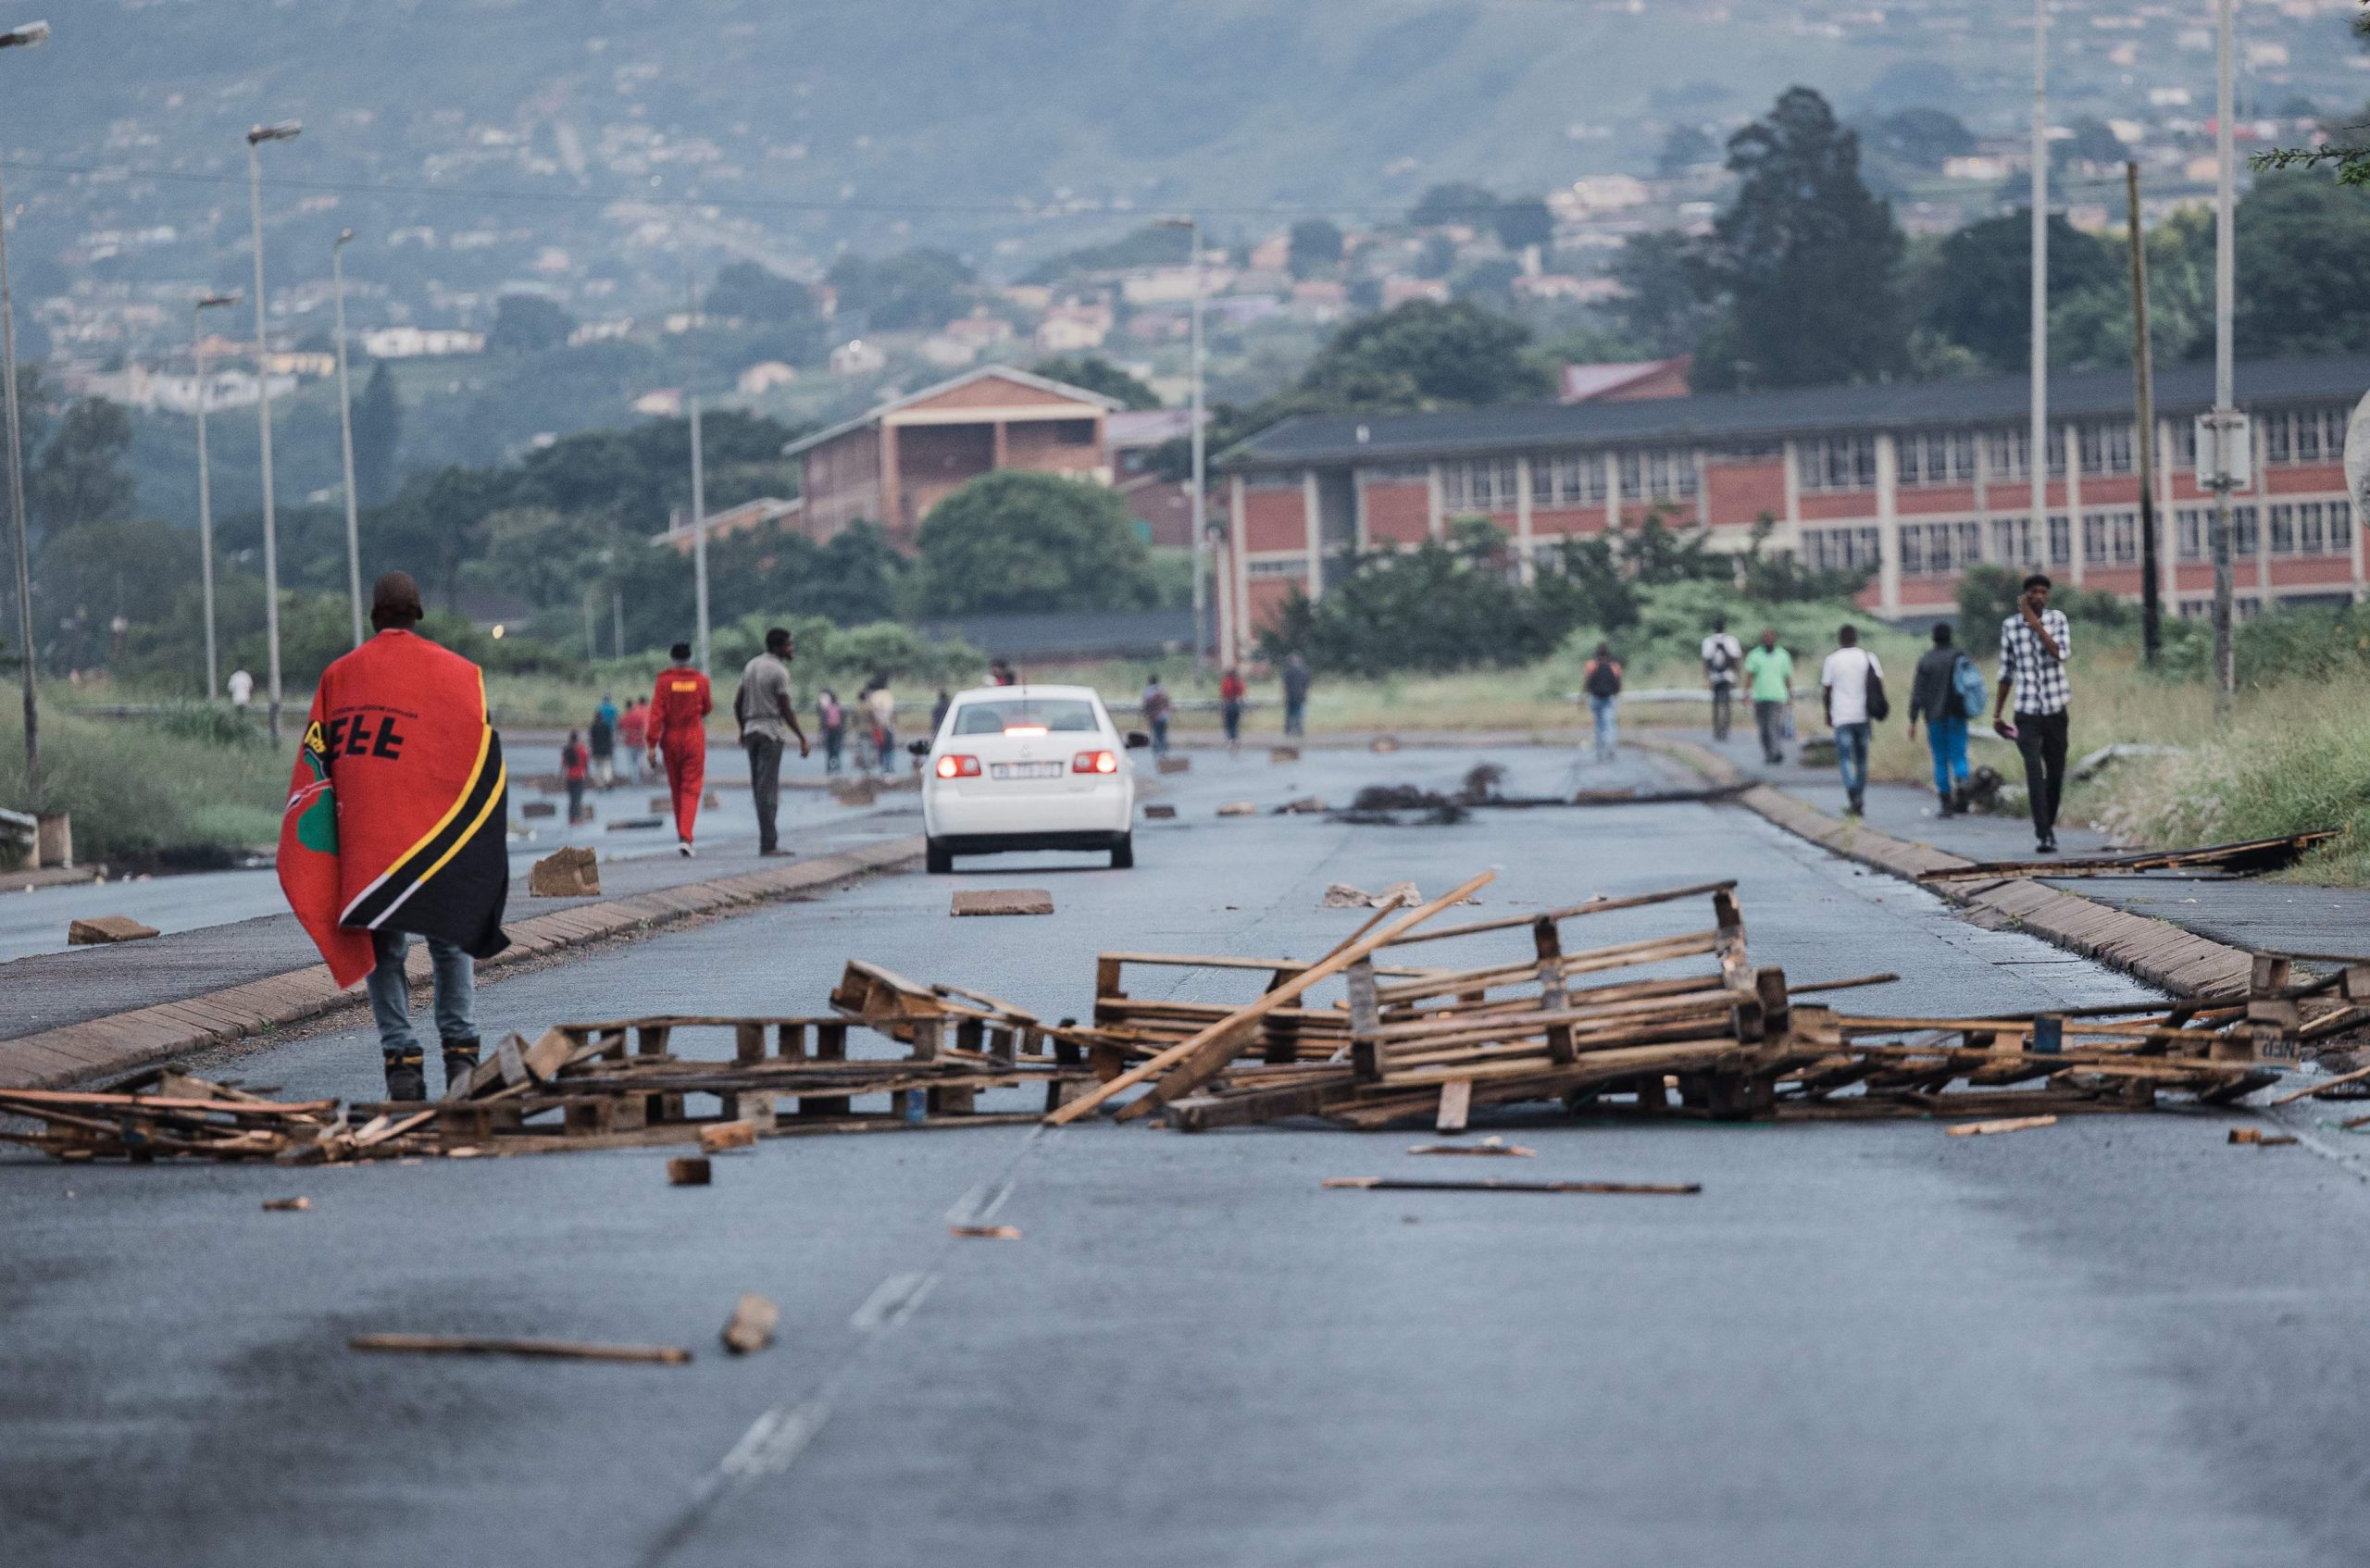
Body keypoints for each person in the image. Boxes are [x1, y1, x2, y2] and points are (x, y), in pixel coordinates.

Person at [276, 572, 509, 1102]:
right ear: (417, 614)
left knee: (385, 950)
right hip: (439, 841)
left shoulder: (339, 677)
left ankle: (401, 1065)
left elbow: (319, 765)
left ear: (375, 616)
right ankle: (461, 1062)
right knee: (450, 944)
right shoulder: (460, 675)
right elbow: (478, 760)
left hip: (371, 845)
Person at [1993, 572, 2074, 853]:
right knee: (2033, 771)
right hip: (2026, 711)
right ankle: (2043, 834)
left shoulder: (2058, 620)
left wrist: (2035, 624)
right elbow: (2006, 673)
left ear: (2047, 596)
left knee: (2055, 772)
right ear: (2024, 596)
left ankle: (2048, 826)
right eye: (2033, 592)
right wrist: (1997, 714)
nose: (2039, 596)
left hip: (2055, 708)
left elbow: (2060, 653)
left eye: (2043, 592)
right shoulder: (2010, 627)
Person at [733, 625, 810, 858]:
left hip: (751, 729)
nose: (792, 649)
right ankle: (768, 844)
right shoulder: (778, 672)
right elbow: (786, 709)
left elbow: (738, 703)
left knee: (758, 787)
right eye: (789, 644)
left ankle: (767, 839)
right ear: (778, 647)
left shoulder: (751, 666)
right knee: (768, 790)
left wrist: (741, 729)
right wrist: (802, 737)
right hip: (770, 733)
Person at [647, 641, 712, 857]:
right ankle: (686, 836)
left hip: (671, 738)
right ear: (690, 659)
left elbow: (656, 714)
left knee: (676, 788)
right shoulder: (701, 681)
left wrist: (651, 745)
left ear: (672, 659)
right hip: (693, 736)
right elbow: (708, 707)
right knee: (691, 788)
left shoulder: (664, 682)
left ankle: (682, 835)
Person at [1907, 622, 1975, 815]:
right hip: (1958, 714)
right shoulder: (1960, 657)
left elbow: (1917, 693)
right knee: (1959, 756)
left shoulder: (1926, 661)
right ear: (1950, 636)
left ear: (1933, 637)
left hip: (1934, 717)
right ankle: (1962, 786)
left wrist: (1913, 719)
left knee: (1940, 760)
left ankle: (1946, 804)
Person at [1820, 625, 1884, 817]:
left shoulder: (1832, 660)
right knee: (1862, 758)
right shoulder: (1868, 657)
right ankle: (1860, 794)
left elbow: (1827, 690)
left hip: (1842, 715)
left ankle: (1852, 792)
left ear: (1840, 639)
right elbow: (1878, 683)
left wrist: (1828, 713)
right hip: (1863, 715)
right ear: (1856, 638)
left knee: (1846, 758)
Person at [1742, 628, 1793, 765]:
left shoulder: (1783, 655)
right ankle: (1769, 753)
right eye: (1766, 639)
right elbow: (1749, 676)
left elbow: (1787, 677)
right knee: (1763, 728)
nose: (1768, 641)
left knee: (1773, 725)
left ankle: (1776, 752)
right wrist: (1746, 694)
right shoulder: (1755, 655)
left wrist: (1790, 695)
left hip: (1777, 696)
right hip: (1760, 696)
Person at [1701, 616, 1743, 743]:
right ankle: (1725, 728)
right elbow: (1737, 660)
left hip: (1714, 676)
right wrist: (1737, 676)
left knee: (1716, 704)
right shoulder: (1731, 641)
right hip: (1729, 676)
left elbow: (1706, 662)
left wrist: (1705, 678)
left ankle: (1717, 729)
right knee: (1727, 704)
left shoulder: (1708, 642)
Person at [1582, 642, 1623, 762]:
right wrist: (1617, 695)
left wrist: (1583, 697)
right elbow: (1619, 682)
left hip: (1595, 698)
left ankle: (1599, 749)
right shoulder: (1614, 665)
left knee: (1598, 724)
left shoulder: (1591, 665)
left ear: (1597, 653)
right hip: (1610, 698)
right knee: (1610, 724)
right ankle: (1610, 747)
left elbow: (1587, 682)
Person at [865, 674, 897, 769]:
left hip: (878, 727)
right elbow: (891, 711)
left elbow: (871, 712)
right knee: (890, 747)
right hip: (889, 726)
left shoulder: (873, 696)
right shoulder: (888, 695)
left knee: (880, 747)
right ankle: (889, 765)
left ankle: (882, 766)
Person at [560, 729, 591, 823]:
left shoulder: (566, 750)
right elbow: (586, 762)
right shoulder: (582, 749)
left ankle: (571, 817)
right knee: (577, 798)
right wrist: (587, 774)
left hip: (569, 776)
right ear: (578, 739)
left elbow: (563, 764)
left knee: (571, 798)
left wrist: (561, 776)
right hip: (579, 776)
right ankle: (577, 817)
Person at [1141, 672, 1173, 756]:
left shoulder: (1148, 690)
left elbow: (1145, 704)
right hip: (1164, 716)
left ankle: (1158, 751)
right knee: (1163, 733)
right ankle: (1164, 750)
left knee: (1156, 733)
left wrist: (1145, 713)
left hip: (1154, 716)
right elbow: (1168, 702)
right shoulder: (1162, 689)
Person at [587, 698, 616, 790]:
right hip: (606, 749)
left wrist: (591, 749)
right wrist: (611, 748)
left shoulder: (593, 727)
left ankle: (599, 784)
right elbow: (610, 738)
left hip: (596, 750)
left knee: (597, 767)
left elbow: (591, 739)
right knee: (607, 766)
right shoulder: (606, 727)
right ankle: (608, 781)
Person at [1281, 653, 1311, 738]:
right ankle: (1299, 730)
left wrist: (1284, 695)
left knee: (1290, 714)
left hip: (1291, 696)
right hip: (1300, 696)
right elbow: (1307, 685)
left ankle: (1289, 731)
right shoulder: (1304, 671)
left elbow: (1285, 685)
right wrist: (1306, 695)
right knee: (1299, 714)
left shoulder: (1288, 672)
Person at [617, 699, 647, 786]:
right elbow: (643, 728)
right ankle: (641, 777)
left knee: (632, 762)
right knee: (640, 760)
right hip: (640, 741)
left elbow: (620, 728)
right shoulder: (638, 716)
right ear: (633, 706)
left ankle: (635, 780)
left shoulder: (623, 717)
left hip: (629, 742)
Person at [1218, 666, 1246, 752]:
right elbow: (1242, 693)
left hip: (1228, 703)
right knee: (1235, 723)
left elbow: (1223, 694)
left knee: (1228, 723)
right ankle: (1236, 739)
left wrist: (1222, 706)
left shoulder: (1226, 682)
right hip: (1236, 704)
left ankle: (1230, 740)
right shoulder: (1239, 682)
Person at [817, 688, 845, 774]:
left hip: (829, 730)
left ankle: (829, 768)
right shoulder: (839, 708)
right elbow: (842, 721)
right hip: (838, 731)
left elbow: (823, 722)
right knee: (836, 750)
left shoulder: (826, 709)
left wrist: (821, 732)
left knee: (829, 750)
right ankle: (837, 767)